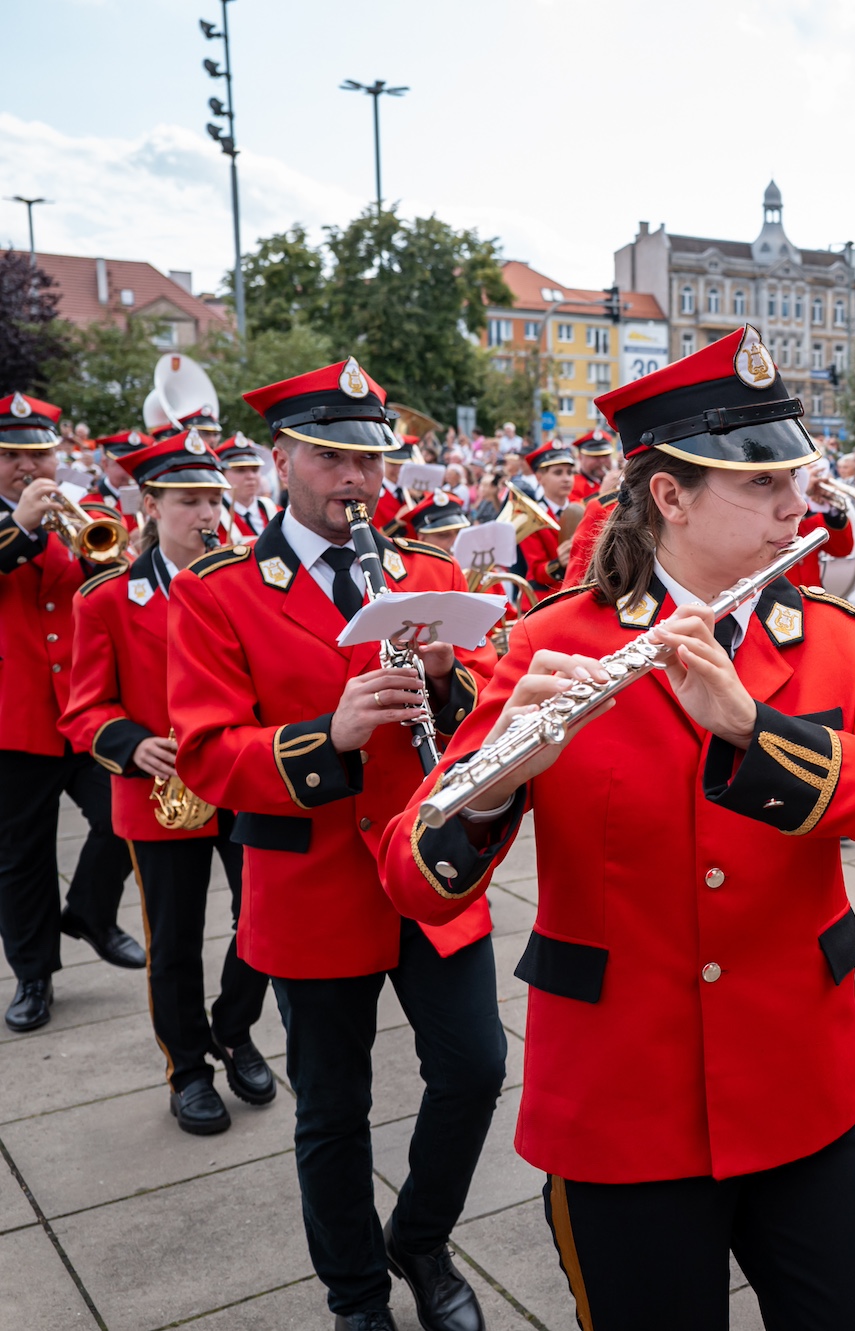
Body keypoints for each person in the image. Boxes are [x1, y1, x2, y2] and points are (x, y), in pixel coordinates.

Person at [378, 329, 855, 1329]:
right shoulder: (553, 640)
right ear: (669, 495)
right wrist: (497, 779)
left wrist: (754, 730)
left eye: (795, 478)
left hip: (800, 1081)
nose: (793, 506)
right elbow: (413, 883)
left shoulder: (836, 640)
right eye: (759, 481)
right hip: (618, 1100)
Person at [170, 358, 502, 1331]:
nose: (354, 478)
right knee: (332, 1109)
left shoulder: (429, 572)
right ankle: (356, 1296)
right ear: (280, 458)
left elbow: (487, 706)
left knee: (476, 1067)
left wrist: (449, 682)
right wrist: (330, 736)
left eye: (369, 456)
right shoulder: (216, 592)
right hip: (312, 881)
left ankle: (421, 1239)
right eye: (329, 455)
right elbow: (204, 755)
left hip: (427, 865)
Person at [60, 432, 274, 1133]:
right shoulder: (107, 598)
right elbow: (84, 708)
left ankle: (234, 1030)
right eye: (189, 501)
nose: (208, 514)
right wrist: (131, 743)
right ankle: (187, 1068)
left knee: (263, 922)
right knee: (176, 940)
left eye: (214, 498)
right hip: (163, 790)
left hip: (241, 779)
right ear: (149, 504)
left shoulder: (244, 580)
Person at [0, 392, 143, 1035]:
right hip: (15, 715)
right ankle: (34, 974)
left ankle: (89, 910)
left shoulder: (85, 512)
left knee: (124, 816)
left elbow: (112, 590)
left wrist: (102, 550)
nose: (28, 467)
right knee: (21, 855)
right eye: (11, 456)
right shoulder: (23, 523)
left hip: (84, 709)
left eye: (38, 453)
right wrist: (24, 529)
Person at [517, 439, 579, 592]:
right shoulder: (529, 517)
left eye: (570, 472)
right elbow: (536, 570)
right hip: (546, 596)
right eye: (558, 472)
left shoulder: (582, 508)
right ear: (539, 477)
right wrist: (558, 563)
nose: (566, 478)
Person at [219, 437, 278, 539]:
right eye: (240, 470)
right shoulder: (214, 518)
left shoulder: (274, 511)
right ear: (222, 474)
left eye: (255, 470)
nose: (251, 476)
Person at [570, 428, 615, 501]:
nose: (602, 460)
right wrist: (603, 493)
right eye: (595, 456)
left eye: (606, 455)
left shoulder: (618, 479)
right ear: (580, 457)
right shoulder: (571, 484)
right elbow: (575, 511)